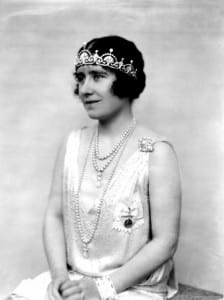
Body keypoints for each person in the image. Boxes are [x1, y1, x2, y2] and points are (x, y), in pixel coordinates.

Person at [8, 35, 181, 300]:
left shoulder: (156, 151)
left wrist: (103, 288)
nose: (84, 89)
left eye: (97, 76)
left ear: (126, 81)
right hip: (75, 278)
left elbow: (165, 241)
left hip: (130, 286)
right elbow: (54, 215)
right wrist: (59, 277)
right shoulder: (72, 143)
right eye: (80, 78)